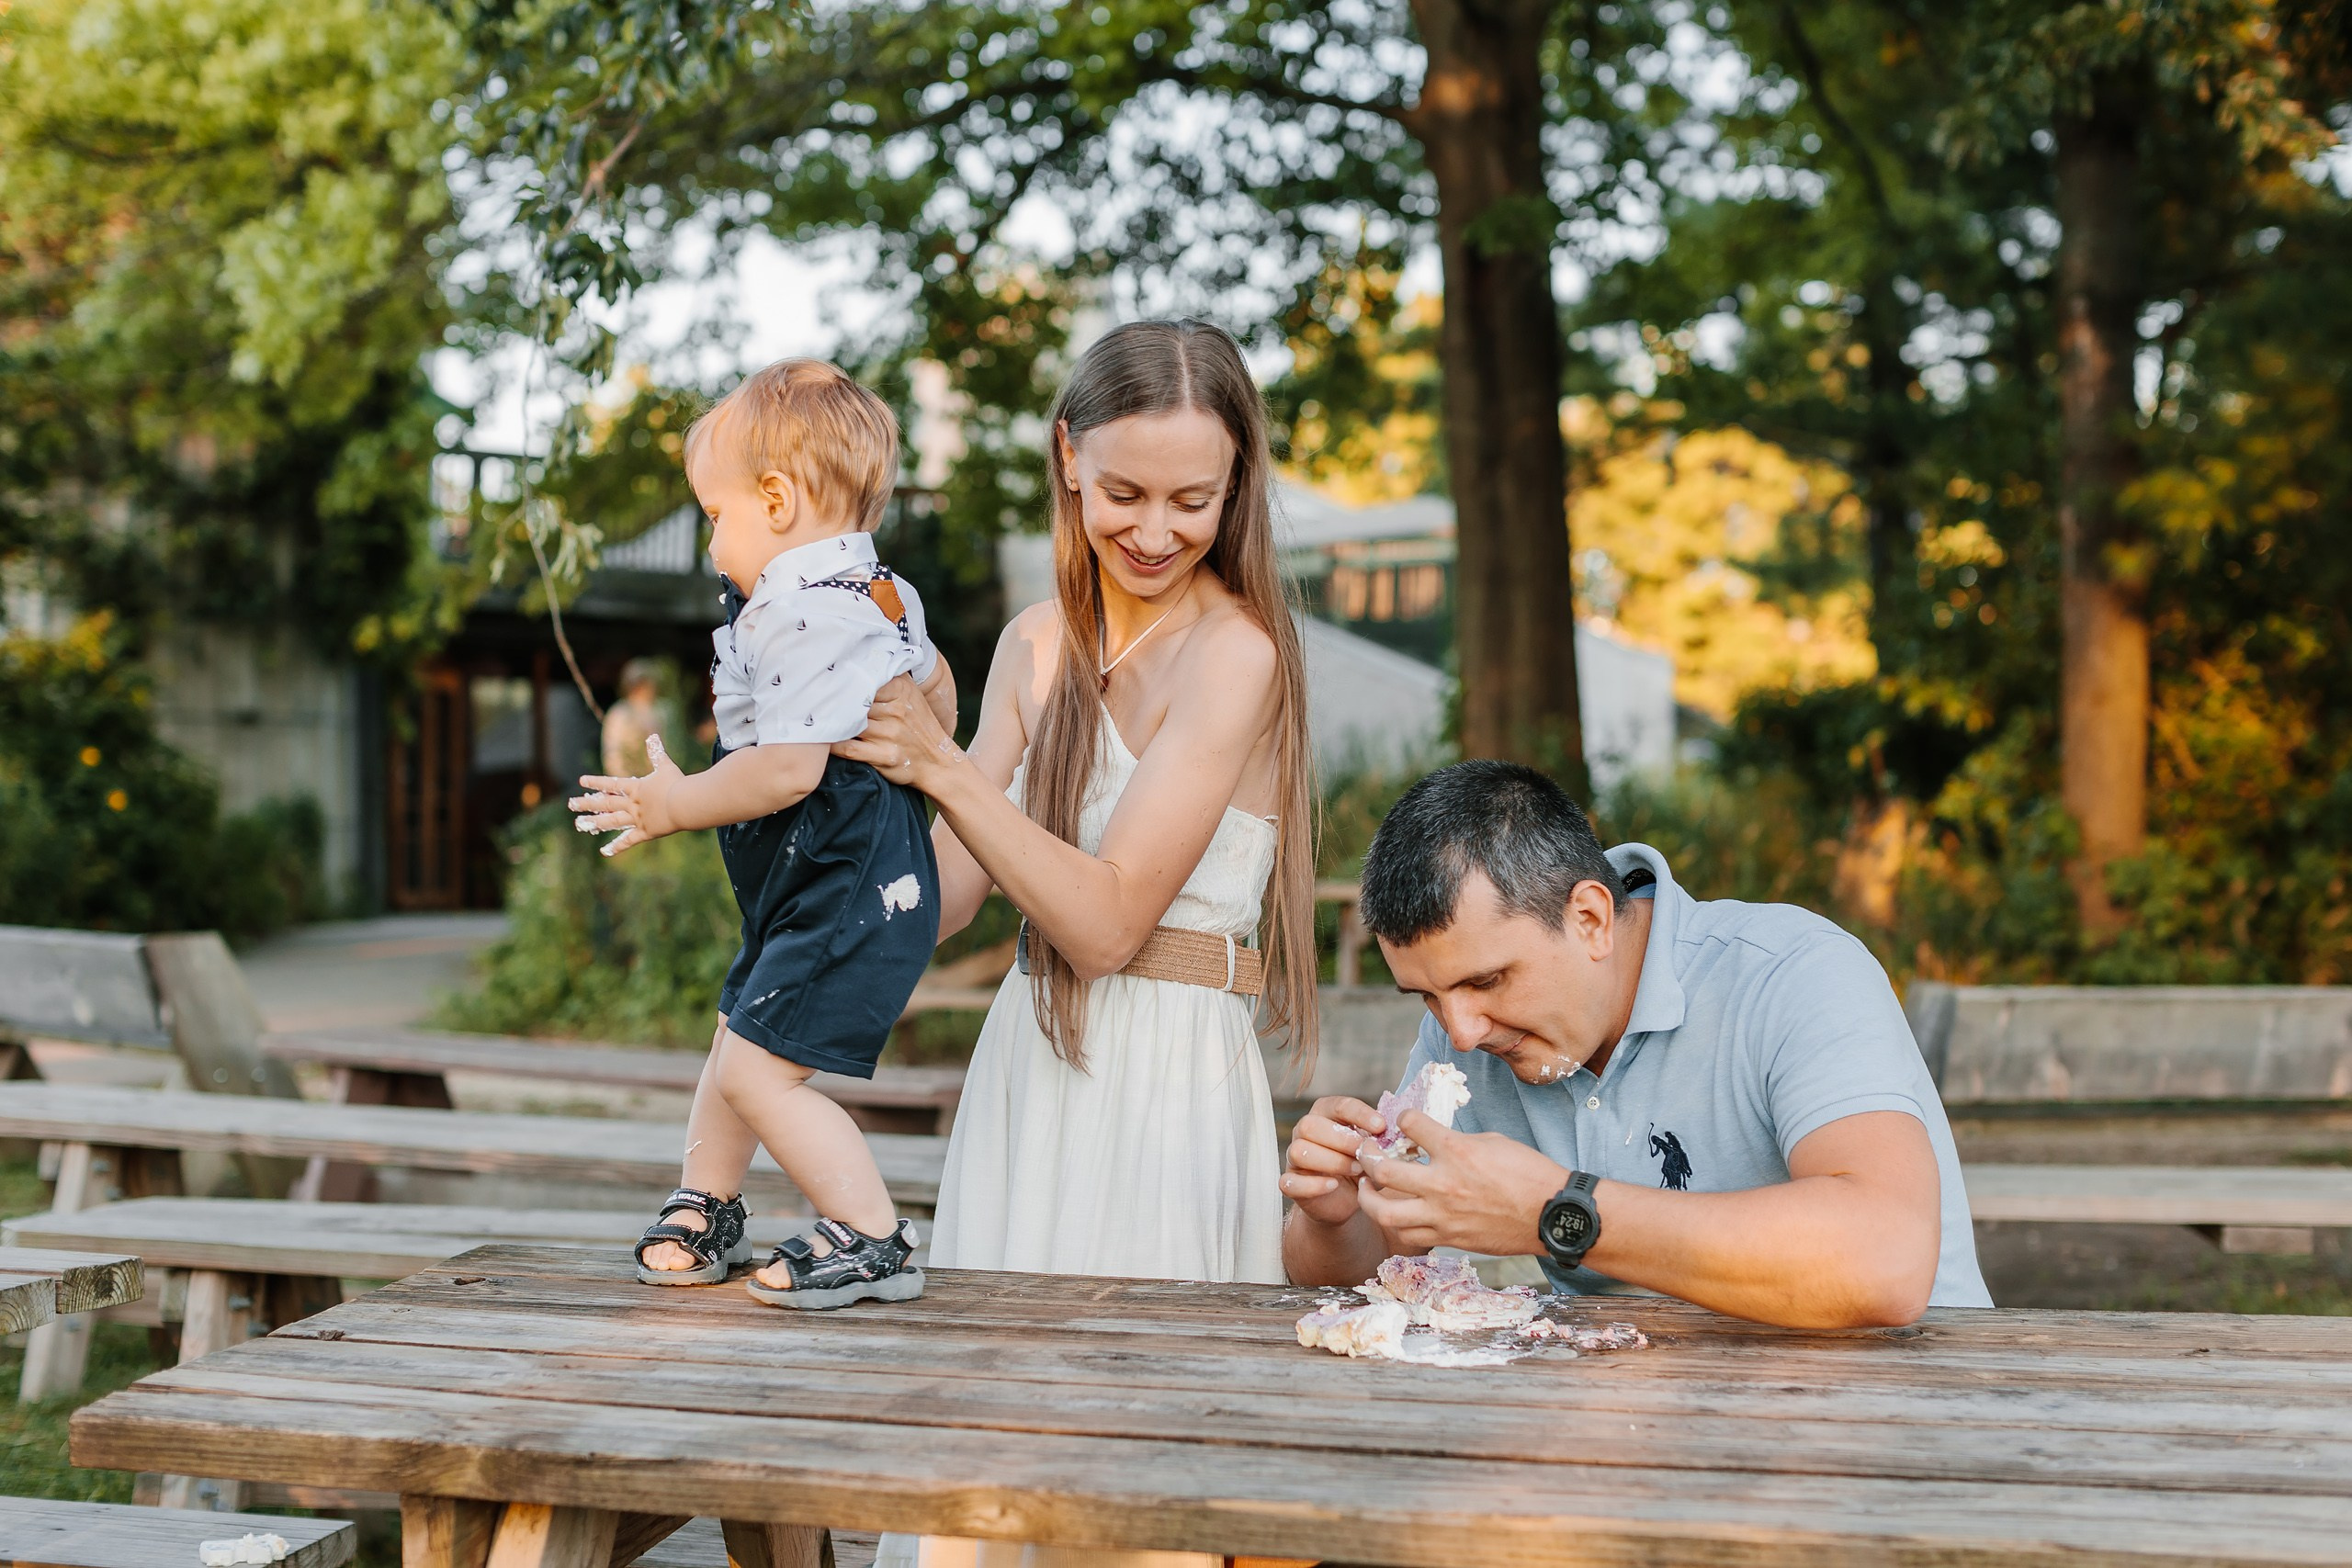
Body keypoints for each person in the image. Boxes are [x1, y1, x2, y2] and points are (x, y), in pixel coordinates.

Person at [839, 320, 1317, 1568]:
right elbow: (944, 898)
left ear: (1237, 488)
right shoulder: (1036, 645)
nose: (1155, 529)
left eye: (1191, 498)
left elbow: (1107, 921)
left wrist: (948, 768)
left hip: (1168, 1090)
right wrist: (863, 773)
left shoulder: (1239, 655)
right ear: (1066, 458)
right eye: (1123, 492)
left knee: (1139, 1462)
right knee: (995, 1452)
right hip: (1035, 1070)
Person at [1282, 761, 1992, 1326]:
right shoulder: (1465, 1024)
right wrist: (1334, 1218)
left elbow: (1887, 1258)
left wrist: (1560, 1209)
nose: (1461, 1030)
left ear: (1590, 917)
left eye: (1489, 979)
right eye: (1429, 996)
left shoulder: (1794, 973)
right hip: (1642, 1420)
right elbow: (1366, 1264)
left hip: (1906, 1418)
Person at [570, 358, 958, 1310]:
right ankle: (708, 1199)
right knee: (737, 1033)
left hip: (838, 864)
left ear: (776, 500)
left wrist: (674, 803)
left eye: (714, 516)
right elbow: (937, 688)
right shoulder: (877, 589)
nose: (712, 545)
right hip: (829, 858)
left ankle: (870, 1233)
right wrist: (920, 759)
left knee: (755, 1065)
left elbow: (787, 770)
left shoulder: (795, 607)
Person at [600, 659, 666, 777]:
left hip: (659, 777)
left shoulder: (663, 710)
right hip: (630, 777)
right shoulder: (619, 713)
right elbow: (613, 752)